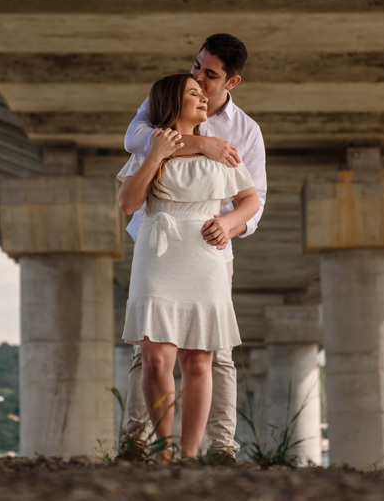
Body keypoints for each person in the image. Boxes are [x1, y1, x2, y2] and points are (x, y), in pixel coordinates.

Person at [121, 34, 267, 464]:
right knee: (149, 355)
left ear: (232, 81)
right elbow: (136, 141)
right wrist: (200, 142)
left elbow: (253, 198)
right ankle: (139, 443)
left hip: (210, 253)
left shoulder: (245, 133)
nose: (199, 79)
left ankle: (215, 449)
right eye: (195, 68)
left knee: (211, 358)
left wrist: (228, 224)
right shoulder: (160, 108)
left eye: (209, 74)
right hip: (158, 248)